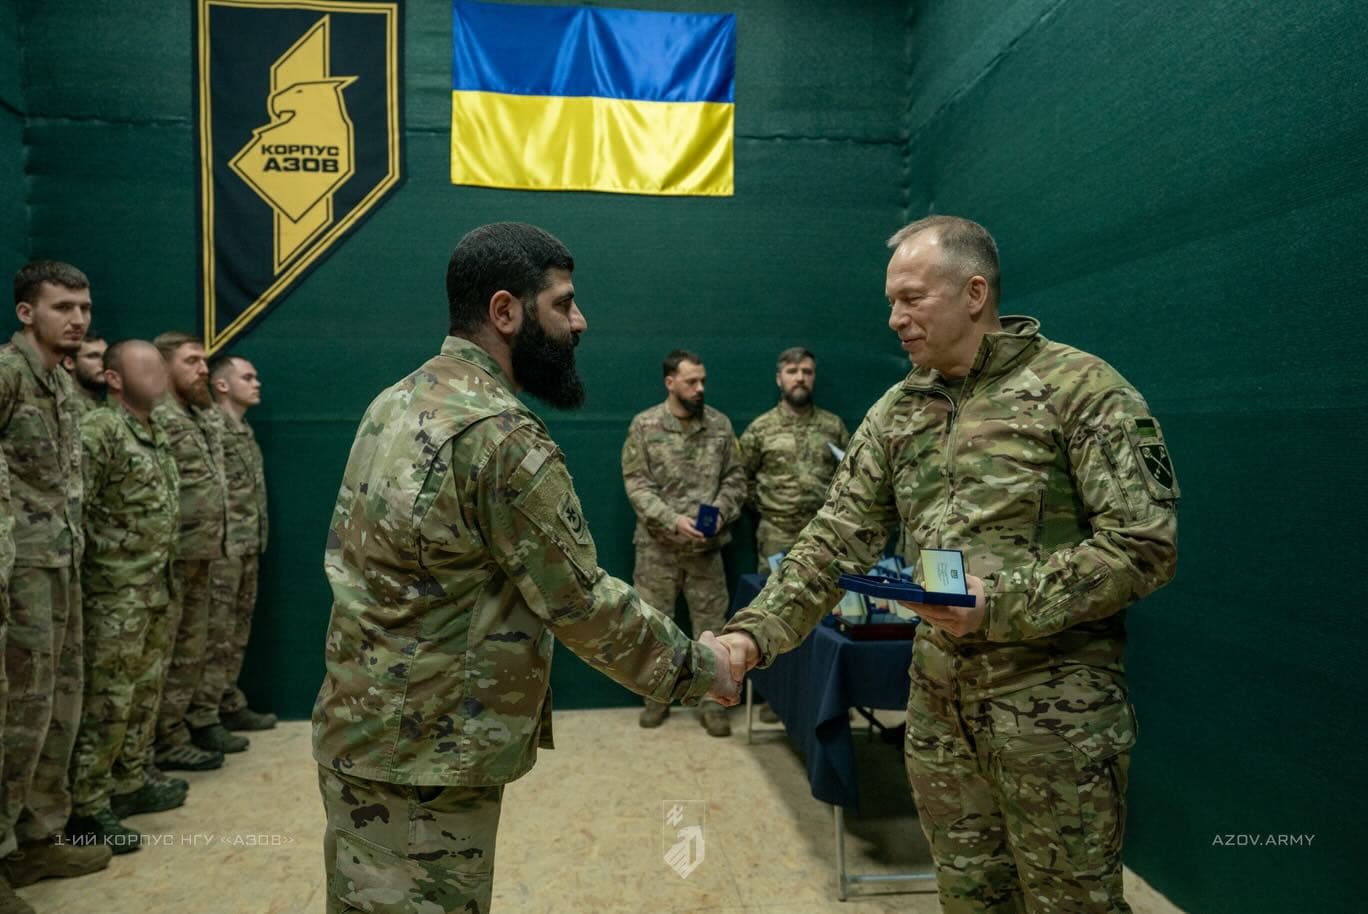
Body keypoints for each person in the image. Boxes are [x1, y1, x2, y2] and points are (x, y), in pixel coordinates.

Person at [721, 216, 1180, 914]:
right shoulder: (898, 411)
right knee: (969, 899)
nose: (894, 319)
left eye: (911, 298)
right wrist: (751, 636)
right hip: (938, 715)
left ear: (974, 293)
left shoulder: (1081, 389)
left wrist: (1001, 604)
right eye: (890, 302)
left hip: (1054, 719)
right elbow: (834, 539)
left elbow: (1144, 545)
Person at [312, 222, 740, 914]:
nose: (580, 321)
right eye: (563, 304)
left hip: (361, 732)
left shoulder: (396, 401)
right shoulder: (497, 434)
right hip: (426, 761)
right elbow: (580, 602)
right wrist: (702, 668)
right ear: (506, 312)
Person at [0, 261, 111, 902]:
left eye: (84, 308)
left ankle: (39, 838)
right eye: (62, 307)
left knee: (58, 707)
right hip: (18, 571)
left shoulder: (60, 381)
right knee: (17, 715)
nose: (77, 319)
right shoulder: (8, 374)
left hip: (61, 563)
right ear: (26, 313)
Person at [66, 341, 183, 853]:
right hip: (113, 594)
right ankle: (89, 806)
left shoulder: (153, 430)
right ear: (114, 379)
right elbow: (77, 507)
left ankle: (130, 782)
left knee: (142, 694)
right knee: (108, 701)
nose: (160, 374)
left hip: (153, 587)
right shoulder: (100, 430)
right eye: (148, 366)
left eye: (161, 365)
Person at [621, 350, 746, 736]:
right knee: (654, 628)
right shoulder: (644, 426)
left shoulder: (720, 426)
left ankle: (714, 704)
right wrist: (672, 519)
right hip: (657, 550)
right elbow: (637, 485)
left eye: (702, 380)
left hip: (706, 552)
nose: (700, 388)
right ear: (670, 382)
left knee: (713, 629)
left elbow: (736, 479)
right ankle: (656, 699)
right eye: (692, 381)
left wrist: (722, 512)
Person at [150, 332, 241, 770]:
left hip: (205, 550)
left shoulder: (199, 414)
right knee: (166, 653)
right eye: (191, 361)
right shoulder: (159, 415)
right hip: (172, 554)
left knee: (193, 648)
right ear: (163, 366)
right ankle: (161, 739)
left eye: (204, 361)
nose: (203, 369)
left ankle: (180, 729)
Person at [202, 354, 275, 732]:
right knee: (215, 634)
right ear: (222, 385)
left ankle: (227, 701)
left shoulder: (242, 430)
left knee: (236, 630)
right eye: (247, 377)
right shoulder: (211, 427)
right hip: (223, 547)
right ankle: (204, 714)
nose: (256, 383)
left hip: (247, 544)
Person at [739, 346, 849, 572]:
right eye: (792, 371)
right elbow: (741, 478)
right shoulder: (760, 429)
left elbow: (849, 476)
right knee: (773, 593)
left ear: (814, 377)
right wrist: (768, 506)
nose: (800, 378)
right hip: (776, 534)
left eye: (807, 372)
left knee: (824, 591)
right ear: (779, 379)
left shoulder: (833, 427)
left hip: (823, 533)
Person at [62, 333, 106, 417]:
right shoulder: (62, 406)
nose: (104, 363)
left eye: (106, 356)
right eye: (93, 356)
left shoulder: (112, 403)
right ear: (69, 363)